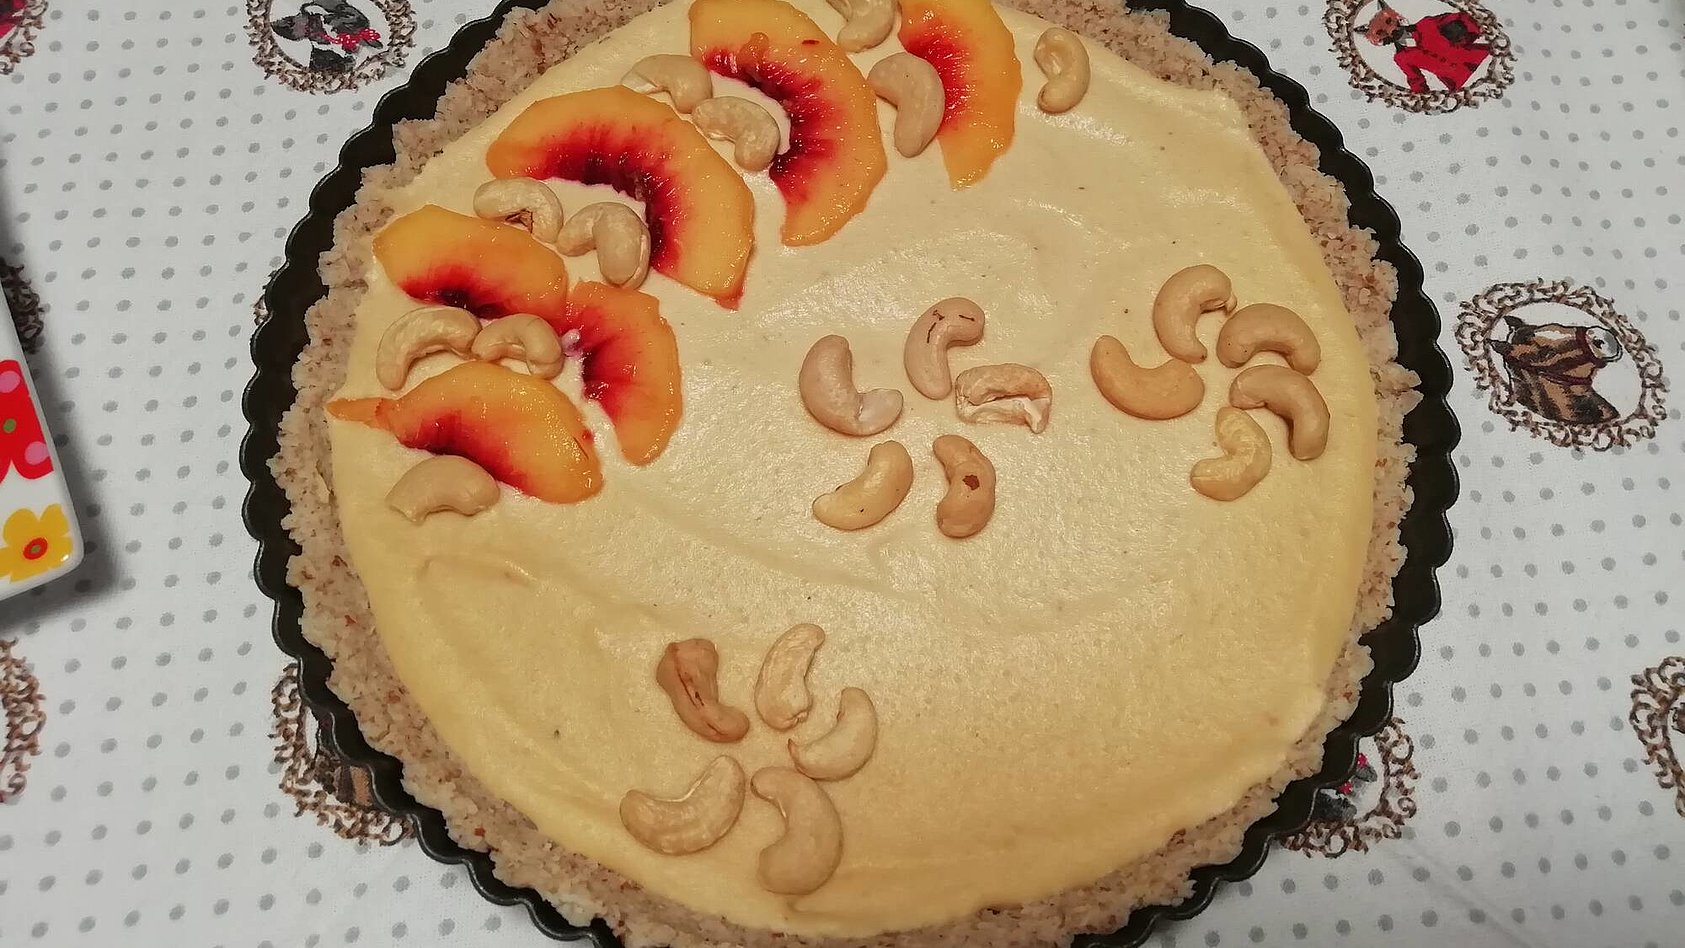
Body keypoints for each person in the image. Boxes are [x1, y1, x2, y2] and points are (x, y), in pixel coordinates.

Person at [1360, 0, 1492, 94]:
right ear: (1376, 39)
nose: (1390, 30)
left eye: (1389, 21)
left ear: (1394, 15)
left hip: (1481, 58)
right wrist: (1422, 97)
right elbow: (1415, 79)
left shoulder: (1427, 24)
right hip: (1458, 81)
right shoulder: (1401, 57)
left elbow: (1466, 20)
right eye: (1380, 32)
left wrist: (1467, 29)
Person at [271, 1, 384, 74]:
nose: (300, 16)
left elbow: (355, 16)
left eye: (312, 20)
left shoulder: (332, 13)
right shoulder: (319, 63)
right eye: (309, 29)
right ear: (299, 37)